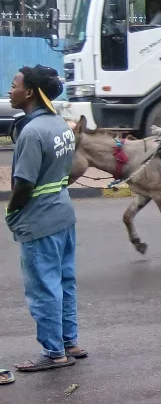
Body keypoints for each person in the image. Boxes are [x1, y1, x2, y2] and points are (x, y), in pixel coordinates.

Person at [5, 66, 86, 377]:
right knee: (64, 282)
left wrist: (12, 212)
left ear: (29, 92)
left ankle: (53, 353)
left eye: (13, 85)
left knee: (43, 288)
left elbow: (23, 183)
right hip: (63, 215)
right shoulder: (60, 126)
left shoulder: (32, 131)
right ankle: (69, 342)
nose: (10, 91)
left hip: (38, 220)